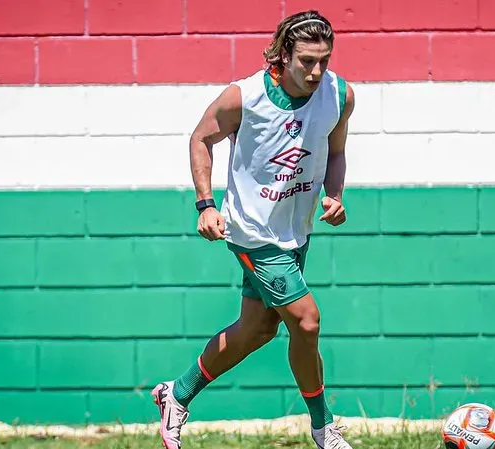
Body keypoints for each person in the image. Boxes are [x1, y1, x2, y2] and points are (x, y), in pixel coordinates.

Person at [151, 9, 355, 449]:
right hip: (253, 233)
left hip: (296, 231)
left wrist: (334, 194)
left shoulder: (339, 95)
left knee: (258, 329)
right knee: (307, 322)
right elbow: (200, 138)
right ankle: (323, 426)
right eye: (307, 61)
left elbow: (336, 151)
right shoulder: (244, 97)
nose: (316, 72)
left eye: (324, 60)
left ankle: (176, 394)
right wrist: (206, 205)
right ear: (284, 55)